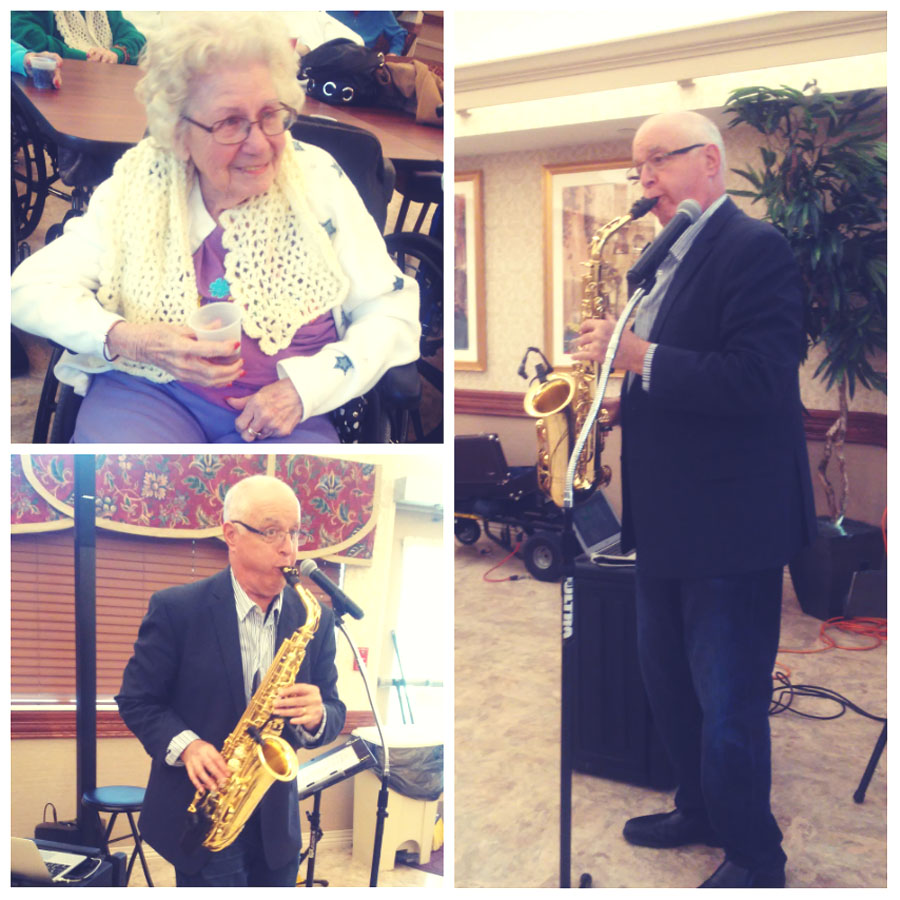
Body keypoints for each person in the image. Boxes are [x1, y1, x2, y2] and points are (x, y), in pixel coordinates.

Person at [573, 110, 816, 888]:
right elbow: (670, 374)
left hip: (731, 528)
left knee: (729, 707)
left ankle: (755, 855)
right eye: (637, 168)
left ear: (709, 162)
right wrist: (616, 395)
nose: (644, 182)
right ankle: (700, 810)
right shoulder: (662, 255)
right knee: (670, 688)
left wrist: (641, 356)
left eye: (657, 163)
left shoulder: (757, 248)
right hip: (667, 523)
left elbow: (758, 379)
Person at [11, 12, 419, 443]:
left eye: (270, 114)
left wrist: (306, 388)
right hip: (151, 392)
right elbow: (28, 290)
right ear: (179, 133)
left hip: (286, 413)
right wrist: (131, 339)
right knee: (133, 491)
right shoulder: (141, 183)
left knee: (284, 504)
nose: (260, 143)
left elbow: (391, 311)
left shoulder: (319, 181)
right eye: (229, 123)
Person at [116, 474, 346, 886]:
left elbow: (332, 707)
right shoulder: (176, 609)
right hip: (203, 814)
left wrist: (318, 715)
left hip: (276, 825)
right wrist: (189, 747)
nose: (289, 548)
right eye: (272, 531)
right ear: (231, 535)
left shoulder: (317, 618)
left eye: (294, 533)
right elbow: (137, 700)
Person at [11, 11, 145, 65]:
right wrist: (88, 59)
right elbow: (30, 40)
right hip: (58, 93)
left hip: (110, 87)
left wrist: (115, 54)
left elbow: (136, 39)